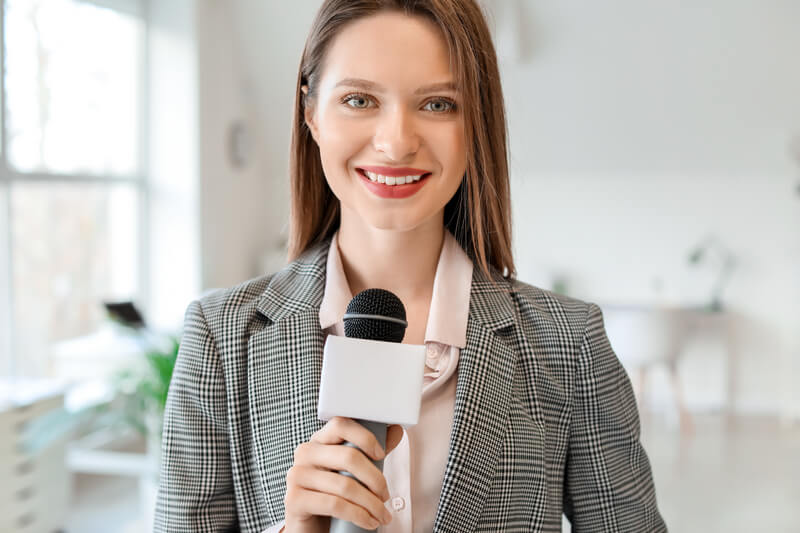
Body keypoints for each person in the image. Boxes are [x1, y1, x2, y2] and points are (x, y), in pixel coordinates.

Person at [154, 1, 667, 532]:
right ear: (311, 113)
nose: (396, 142)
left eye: (439, 104)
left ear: (477, 121)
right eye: (359, 99)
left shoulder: (569, 342)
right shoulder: (222, 336)